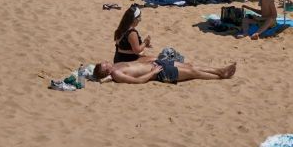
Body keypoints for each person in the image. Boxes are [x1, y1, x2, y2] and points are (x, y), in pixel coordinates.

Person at [93, 59, 236, 84]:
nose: (106, 62)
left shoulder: (115, 67)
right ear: (106, 71)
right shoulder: (116, 74)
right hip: (160, 72)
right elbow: (138, 81)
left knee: (190, 66)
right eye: (104, 65)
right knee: (193, 73)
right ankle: (219, 76)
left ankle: (219, 70)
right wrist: (153, 72)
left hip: (157, 64)